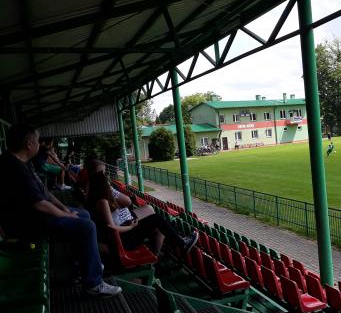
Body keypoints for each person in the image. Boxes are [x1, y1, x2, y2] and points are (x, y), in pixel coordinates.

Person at [0, 123, 121, 297]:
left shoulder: (22, 162)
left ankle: (83, 265)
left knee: (84, 214)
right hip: (25, 224)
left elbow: (45, 192)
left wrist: (65, 209)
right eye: (37, 141)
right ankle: (94, 283)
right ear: (29, 144)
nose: (39, 144)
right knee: (87, 227)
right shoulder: (14, 167)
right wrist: (66, 215)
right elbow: (39, 204)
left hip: (34, 216)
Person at [87, 171, 198, 255]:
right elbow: (111, 227)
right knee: (157, 219)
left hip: (123, 235)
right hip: (125, 240)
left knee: (162, 223)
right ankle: (182, 243)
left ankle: (176, 240)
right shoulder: (102, 202)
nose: (109, 184)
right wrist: (131, 227)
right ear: (103, 185)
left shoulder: (98, 200)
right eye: (107, 182)